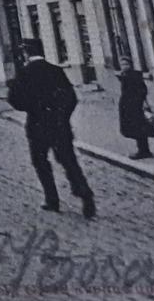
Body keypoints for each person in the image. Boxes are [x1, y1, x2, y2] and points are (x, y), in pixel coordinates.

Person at [7, 38, 95, 219]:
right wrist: (62, 116)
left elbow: (15, 101)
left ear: (27, 53)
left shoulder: (24, 73)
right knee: (68, 160)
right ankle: (85, 193)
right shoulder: (56, 71)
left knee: (40, 162)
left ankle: (52, 200)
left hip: (37, 125)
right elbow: (72, 98)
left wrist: (31, 107)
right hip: (59, 125)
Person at [117, 57, 154, 159]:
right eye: (122, 65)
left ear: (131, 65)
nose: (124, 66)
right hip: (128, 107)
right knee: (134, 129)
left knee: (138, 129)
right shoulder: (124, 76)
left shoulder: (135, 76)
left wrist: (137, 101)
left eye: (126, 64)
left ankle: (144, 151)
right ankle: (143, 150)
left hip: (135, 107)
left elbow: (142, 90)